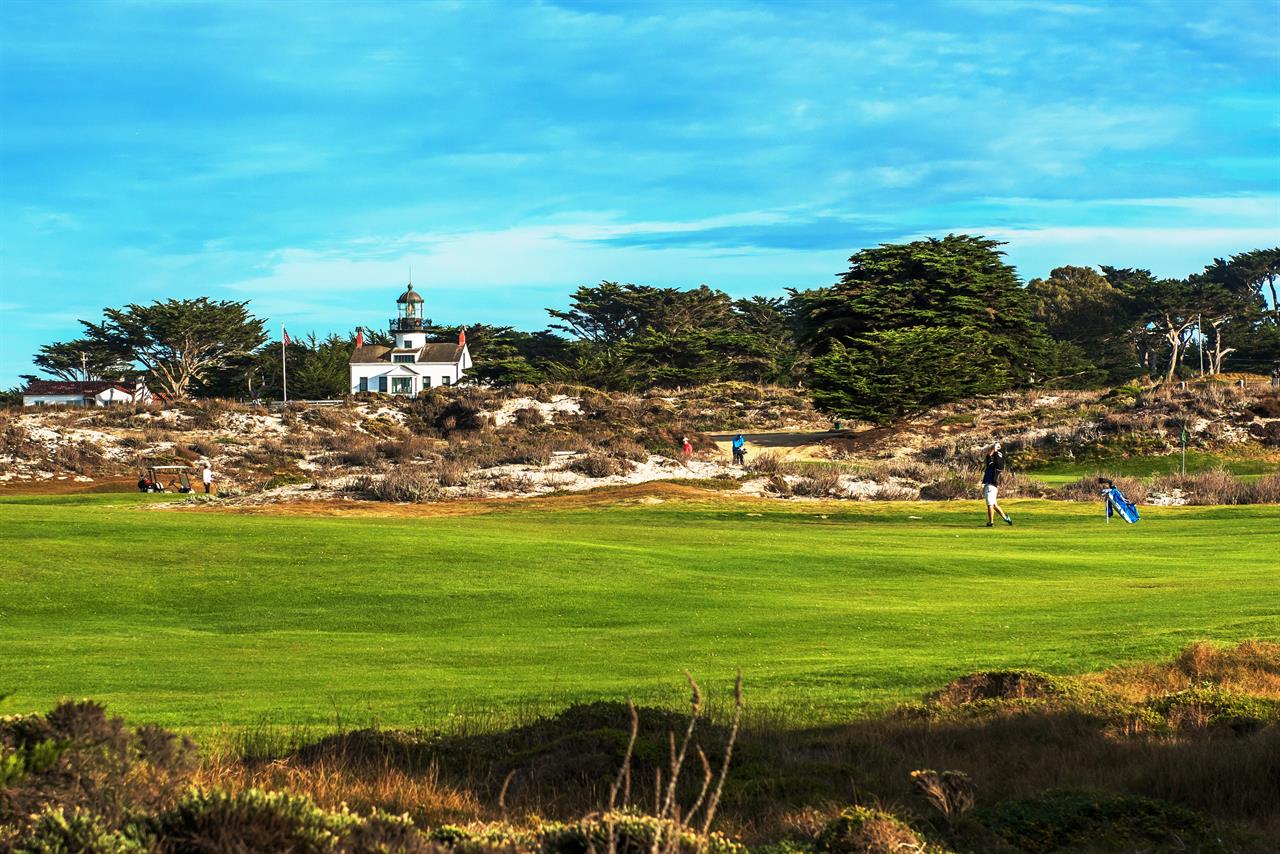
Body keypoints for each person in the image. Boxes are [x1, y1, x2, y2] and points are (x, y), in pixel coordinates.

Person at [981, 442, 1013, 527]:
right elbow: (989, 456)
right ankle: (1006, 518)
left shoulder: (999, 466)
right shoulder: (991, 464)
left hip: (991, 486)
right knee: (994, 505)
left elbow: (996, 458)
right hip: (989, 486)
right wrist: (993, 447)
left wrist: (996, 449)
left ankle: (991, 522)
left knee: (990, 505)